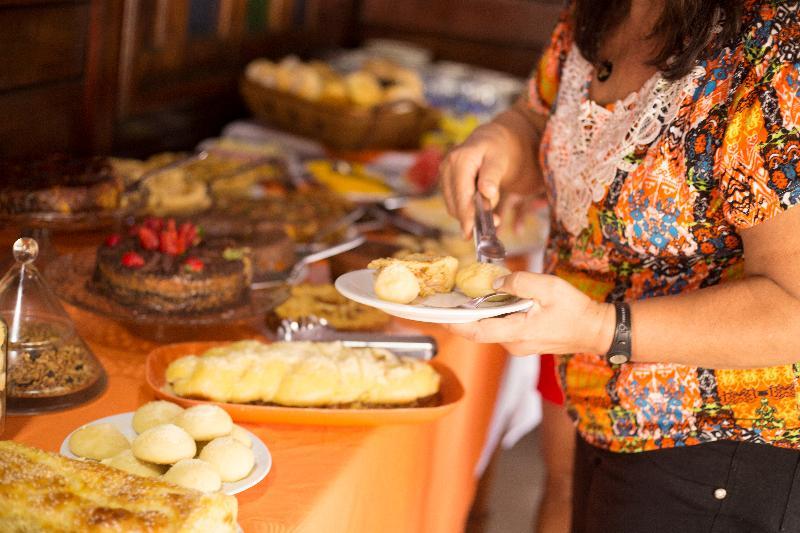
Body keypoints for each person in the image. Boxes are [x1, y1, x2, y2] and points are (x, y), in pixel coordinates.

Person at [440, 1, 800, 532]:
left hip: (716, 447)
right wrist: (498, 143)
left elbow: (793, 309)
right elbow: (538, 118)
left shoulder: (773, 54)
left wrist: (597, 327)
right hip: (604, 417)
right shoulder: (597, 13)